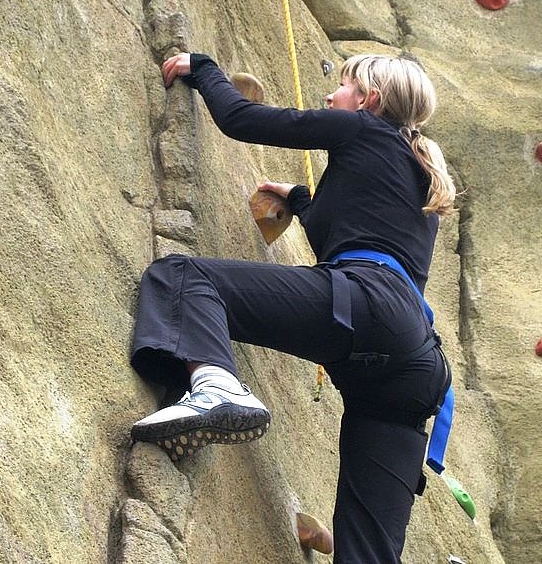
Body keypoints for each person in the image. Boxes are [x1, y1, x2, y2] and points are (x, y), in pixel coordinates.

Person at [130, 50, 456, 563]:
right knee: (369, 553)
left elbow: (241, 119)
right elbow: (359, 231)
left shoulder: (361, 130)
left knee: (182, 276)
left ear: (367, 99)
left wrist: (204, 69)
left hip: (366, 303)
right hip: (415, 364)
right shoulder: (422, 179)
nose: (330, 94)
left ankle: (214, 386)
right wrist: (302, 201)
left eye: (342, 86)